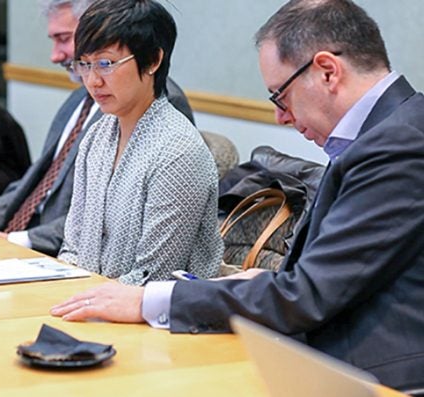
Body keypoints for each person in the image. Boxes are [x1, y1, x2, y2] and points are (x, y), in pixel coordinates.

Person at [51, 0, 424, 390]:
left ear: (327, 71)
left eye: (280, 95)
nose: (280, 116)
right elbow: (333, 278)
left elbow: (310, 296)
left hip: (376, 375)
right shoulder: (385, 132)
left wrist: (147, 300)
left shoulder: (399, 146)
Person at [0, 0, 196, 257]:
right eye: (85, 63)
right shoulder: (79, 101)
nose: (56, 56)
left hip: (55, 255)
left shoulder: (164, 111)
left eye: (64, 39)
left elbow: (118, 227)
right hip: (52, 255)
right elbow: (34, 182)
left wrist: (22, 241)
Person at [55, 0, 222, 285]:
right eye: (85, 64)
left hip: (153, 318)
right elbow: (72, 248)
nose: (93, 80)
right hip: (90, 301)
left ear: (153, 61)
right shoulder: (96, 137)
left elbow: (152, 278)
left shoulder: (177, 151)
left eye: (106, 64)